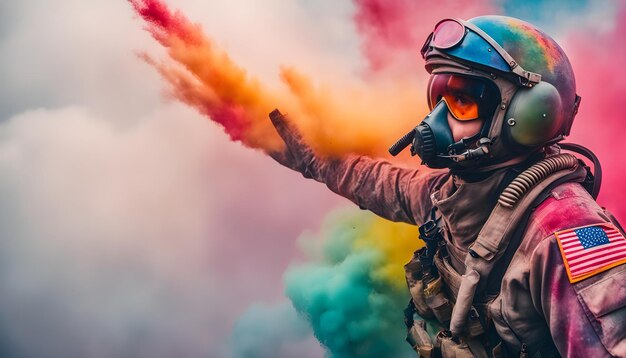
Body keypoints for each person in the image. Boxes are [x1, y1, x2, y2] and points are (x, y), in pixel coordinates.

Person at [267, 15, 626, 358]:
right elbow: (376, 183)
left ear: (528, 114)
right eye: (441, 95)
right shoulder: (456, 195)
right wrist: (310, 159)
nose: (436, 118)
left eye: (462, 101)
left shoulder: (566, 233)